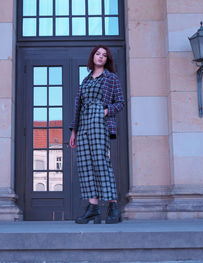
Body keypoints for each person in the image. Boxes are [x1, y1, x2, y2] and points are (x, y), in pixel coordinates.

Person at [69, 45, 125, 224]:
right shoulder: (85, 81)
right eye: (98, 54)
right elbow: (78, 107)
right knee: (85, 164)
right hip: (84, 122)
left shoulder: (111, 78)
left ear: (107, 59)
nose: (101, 57)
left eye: (104, 55)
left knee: (101, 163)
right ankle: (93, 207)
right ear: (92, 57)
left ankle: (113, 206)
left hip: (100, 121)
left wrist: (107, 111)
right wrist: (74, 131)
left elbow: (121, 102)